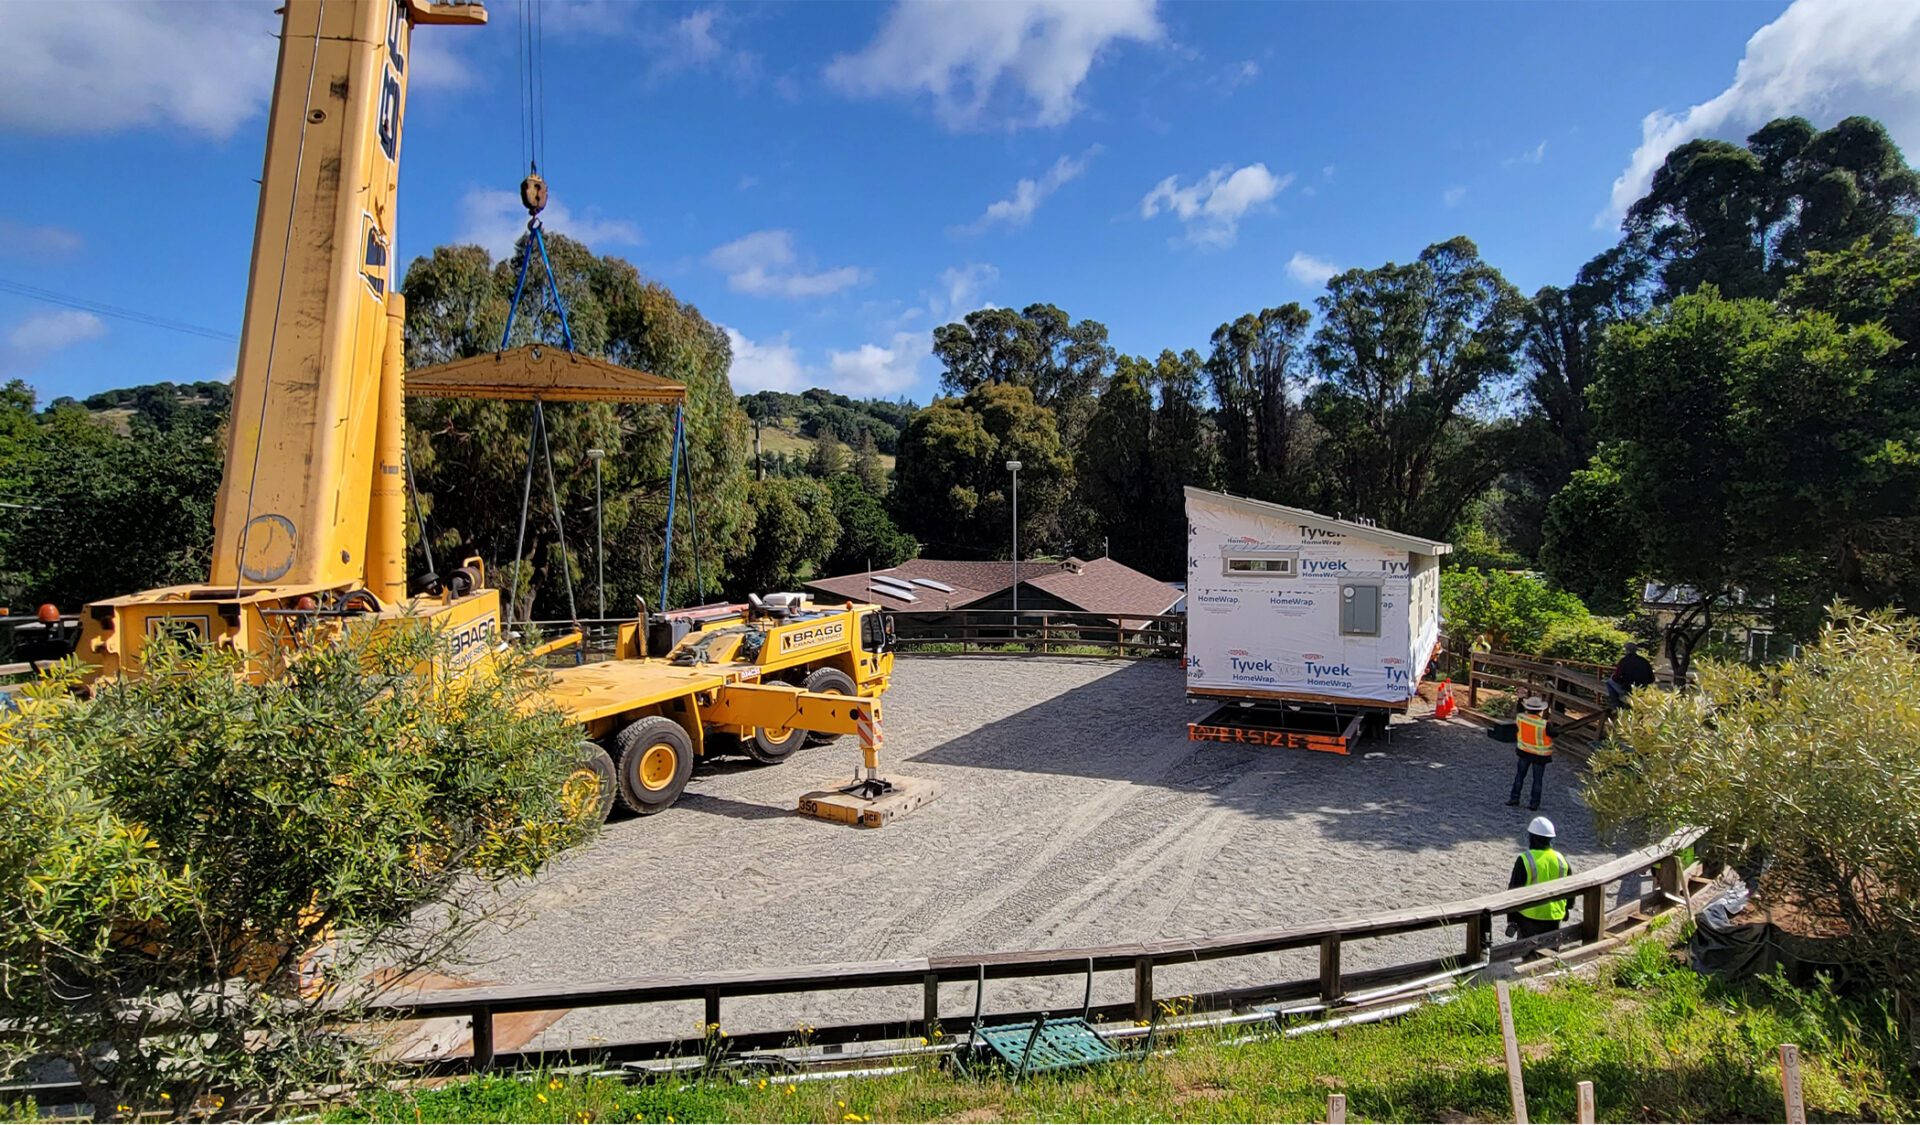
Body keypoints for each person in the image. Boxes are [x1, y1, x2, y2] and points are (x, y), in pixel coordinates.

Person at [1507, 815, 1574, 938]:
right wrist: (1567, 908)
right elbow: (1570, 887)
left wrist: (1511, 919)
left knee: (1526, 952)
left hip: (1529, 915)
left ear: (1532, 837)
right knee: (1551, 951)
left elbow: (1514, 889)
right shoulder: (1561, 859)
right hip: (1554, 915)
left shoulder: (1525, 859)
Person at [1505, 696, 1554, 810]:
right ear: (1540, 710)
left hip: (1524, 752)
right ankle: (1534, 804)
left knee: (1519, 776)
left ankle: (1514, 798)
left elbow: (1519, 710)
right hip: (1540, 755)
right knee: (1537, 780)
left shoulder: (1521, 718)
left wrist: (1520, 698)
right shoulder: (1544, 724)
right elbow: (1554, 733)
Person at [1606, 641, 1656, 709]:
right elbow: (1652, 679)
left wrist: (1621, 680)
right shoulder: (1644, 661)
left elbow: (1616, 677)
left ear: (1626, 650)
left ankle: (1615, 705)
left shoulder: (1624, 661)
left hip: (1628, 689)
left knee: (1609, 682)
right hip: (1641, 690)